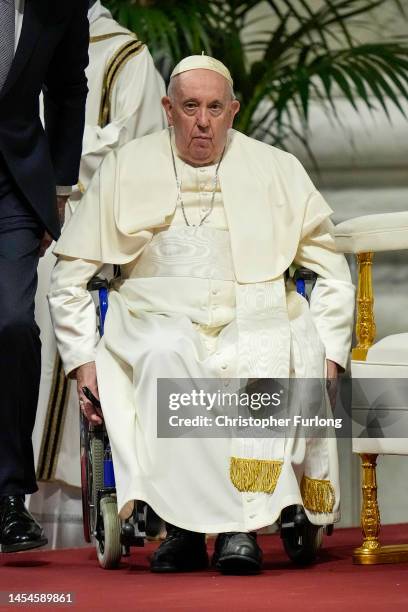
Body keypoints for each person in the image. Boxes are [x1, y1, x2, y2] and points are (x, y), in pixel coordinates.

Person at [49, 55, 355, 573]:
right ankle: (184, 530)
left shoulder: (277, 169)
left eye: (216, 107)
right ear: (168, 109)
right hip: (152, 314)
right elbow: (69, 277)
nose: (203, 121)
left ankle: (240, 528)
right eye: (191, 107)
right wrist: (83, 362)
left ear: (234, 110)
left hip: (253, 311)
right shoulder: (125, 167)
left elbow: (333, 273)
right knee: (168, 355)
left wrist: (329, 351)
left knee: (260, 355)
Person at [32, 0, 166, 511]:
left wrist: (40, 176)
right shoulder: (16, 41)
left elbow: (135, 155)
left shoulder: (124, 58)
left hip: (85, 233)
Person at [0, 0, 88, 553]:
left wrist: (57, 186)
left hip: (12, 181)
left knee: (11, 322)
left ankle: (9, 497)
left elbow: (66, 87)